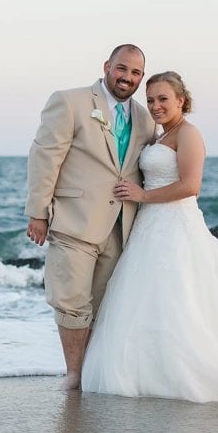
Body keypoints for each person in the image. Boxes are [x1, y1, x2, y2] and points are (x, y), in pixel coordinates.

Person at [81, 72, 218, 402]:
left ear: (181, 100)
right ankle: (148, 373)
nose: (155, 106)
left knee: (180, 297)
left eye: (163, 99)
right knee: (146, 299)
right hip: (148, 227)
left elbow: (190, 186)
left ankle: (188, 376)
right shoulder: (158, 137)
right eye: (151, 100)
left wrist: (142, 197)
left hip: (176, 224)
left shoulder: (189, 134)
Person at [25, 44, 157, 390]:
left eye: (136, 73)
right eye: (122, 69)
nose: (127, 77)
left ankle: (92, 375)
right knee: (71, 300)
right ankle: (74, 375)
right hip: (74, 218)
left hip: (121, 226)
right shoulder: (70, 102)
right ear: (107, 66)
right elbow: (45, 157)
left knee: (101, 305)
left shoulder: (145, 118)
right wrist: (38, 213)